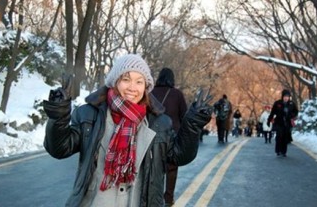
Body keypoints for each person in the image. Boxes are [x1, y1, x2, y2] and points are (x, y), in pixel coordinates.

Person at [42, 54, 213, 207]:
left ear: (146, 87)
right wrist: (58, 115)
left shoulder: (159, 123)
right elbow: (60, 148)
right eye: (126, 79)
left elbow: (179, 156)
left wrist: (193, 124)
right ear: (115, 82)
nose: (132, 87)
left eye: (139, 82)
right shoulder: (89, 115)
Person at [151, 67, 187, 206]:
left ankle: (154, 197)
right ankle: (168, 198)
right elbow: (184, 115)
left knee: (155, 167)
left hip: (153, 135)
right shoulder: (177, 94)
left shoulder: (151, 93)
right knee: (172, 168)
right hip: (172, 135)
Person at [267, 89, 298, 157]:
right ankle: (278, 150)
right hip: (279, 122)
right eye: (285, 96)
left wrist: (292, 115)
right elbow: (272, 113)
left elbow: (296, 112)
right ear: (282, 96)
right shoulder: (278, 103)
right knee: (279, 136)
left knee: (285, 137)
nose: (286, 98)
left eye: (287, 96)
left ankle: (284, 151)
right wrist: (269, 120)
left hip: (287, 123)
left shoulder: (291, 104)